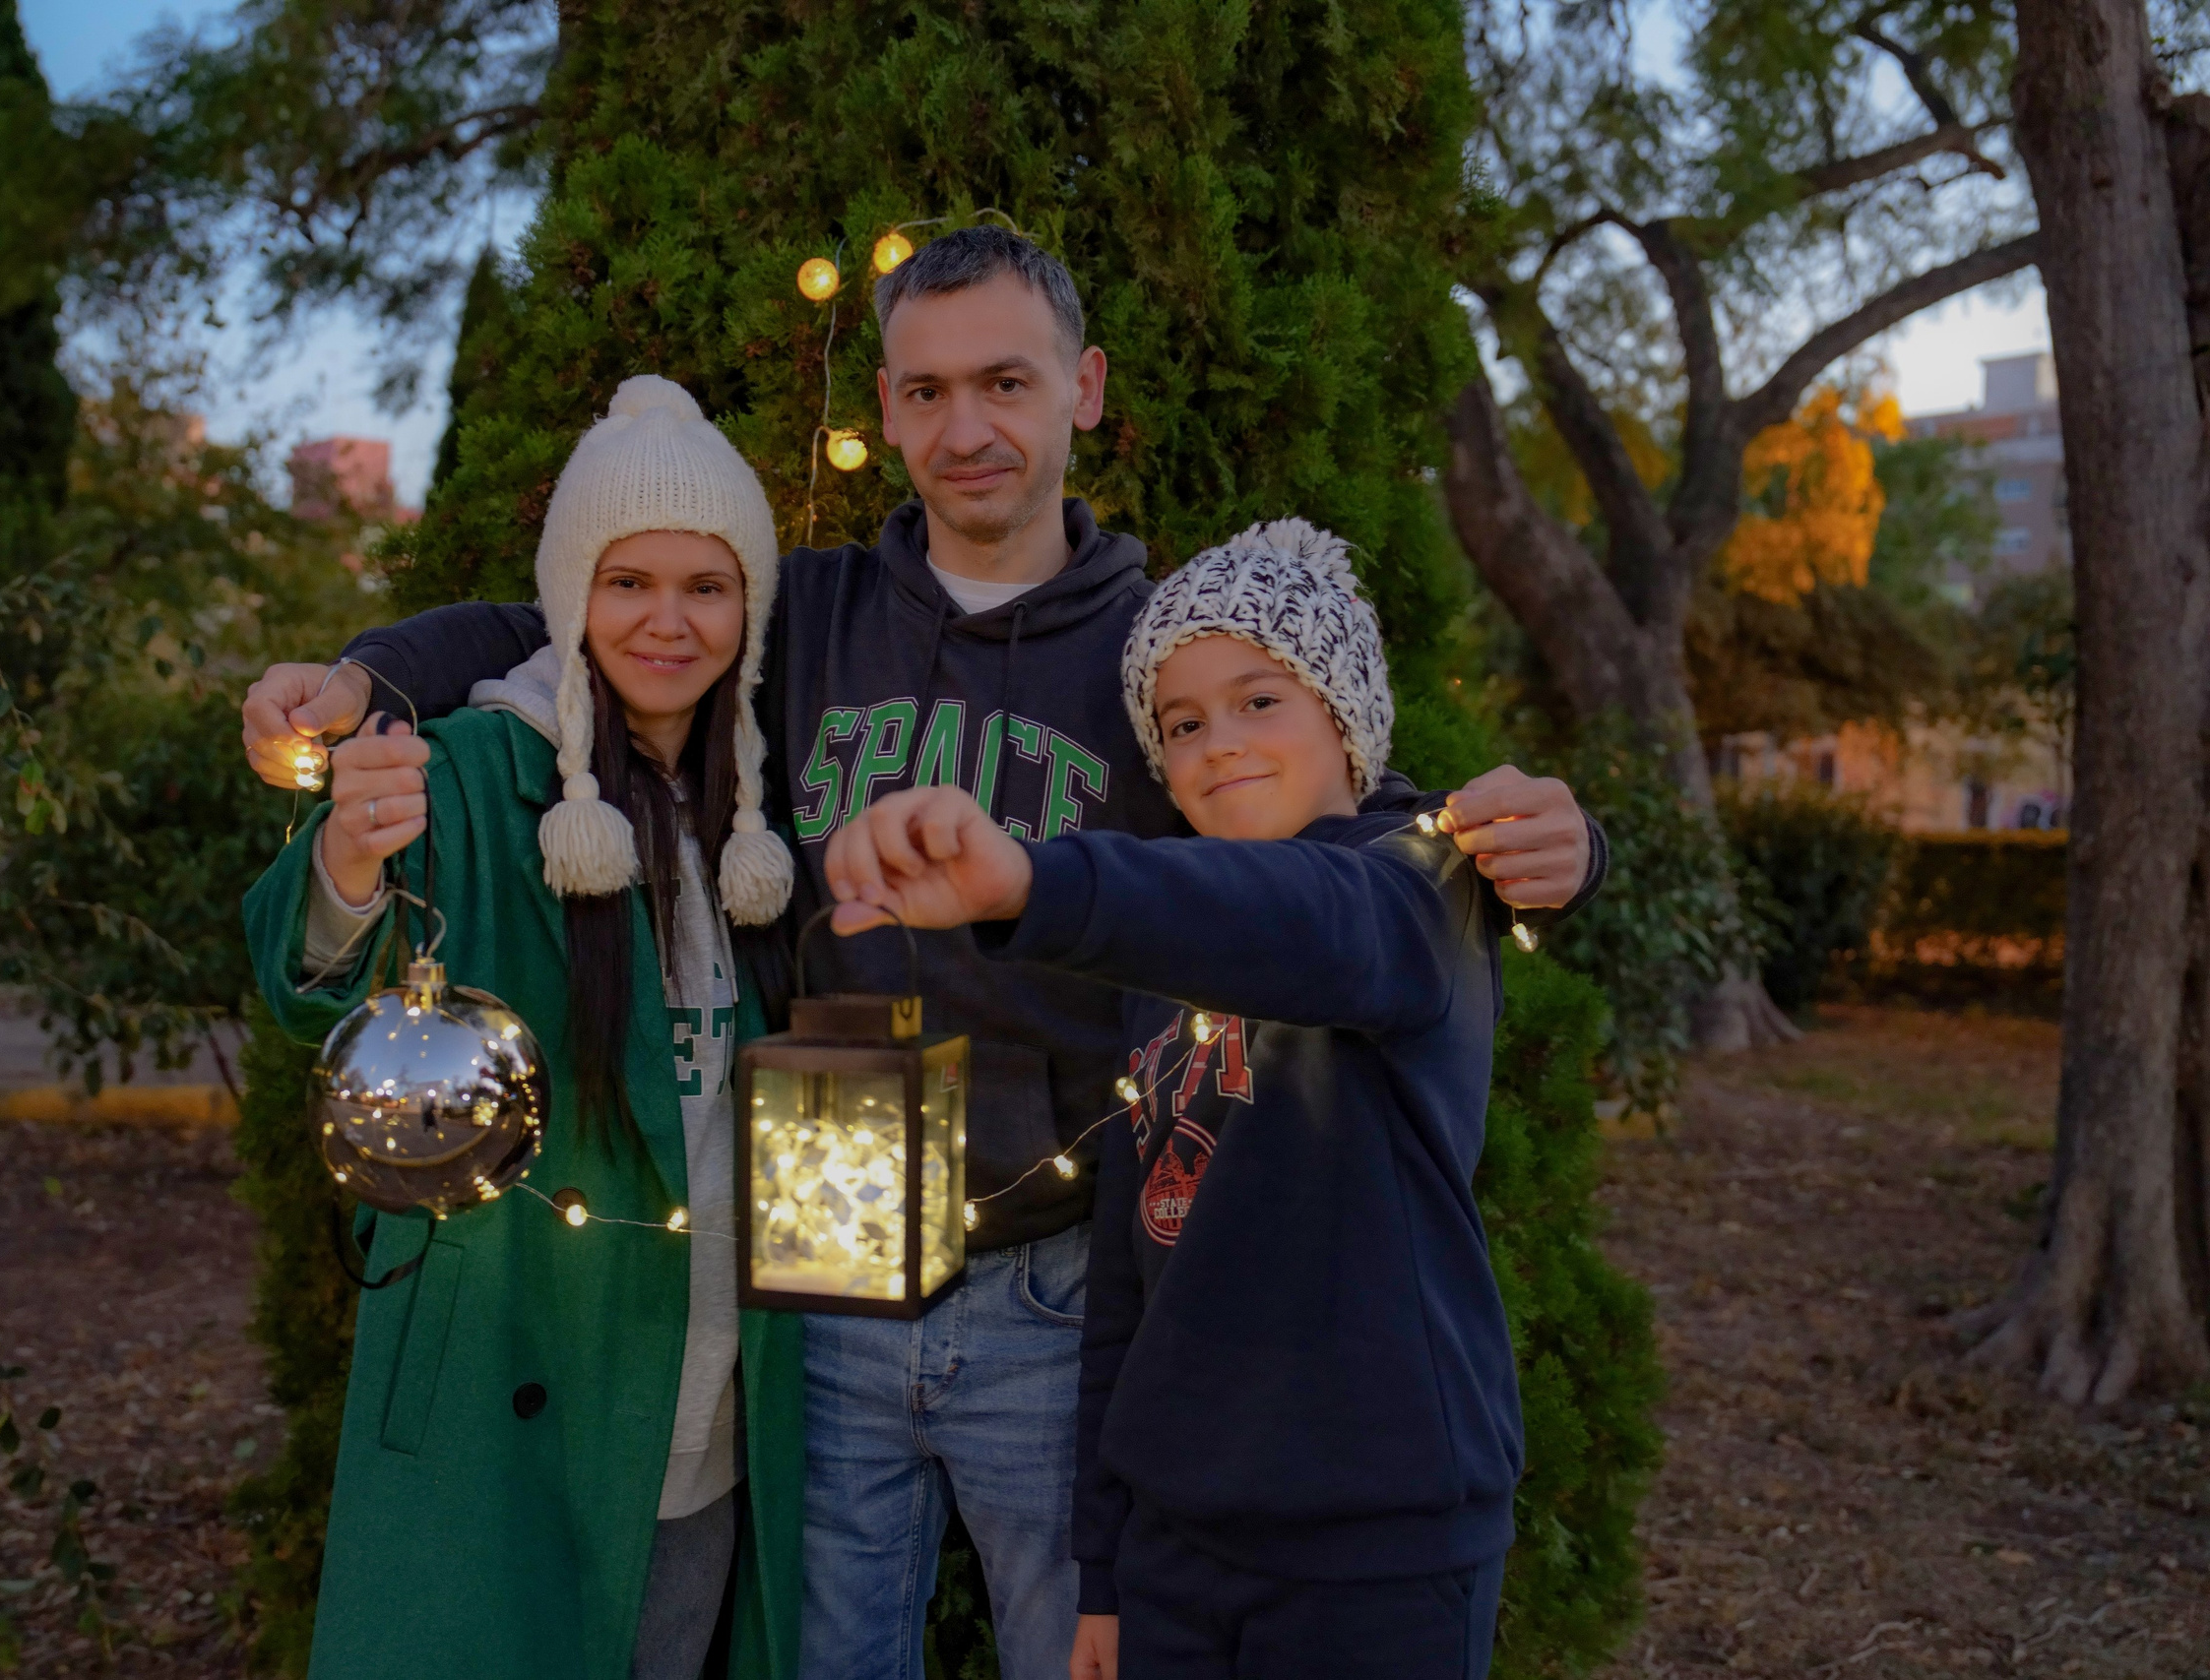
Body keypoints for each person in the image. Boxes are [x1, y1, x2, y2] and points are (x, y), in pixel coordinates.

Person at [236, 229, 1598, 1679]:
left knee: (1075, 1645)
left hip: (1057, 1273)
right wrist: (369, 678)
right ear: (883, 406)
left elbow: (1307, 799)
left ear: (1083, 387)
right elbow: (574, 619)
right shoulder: (807, 615)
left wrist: (1516, 833)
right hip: (824, 1256)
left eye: (1005, 382)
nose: (968, 429)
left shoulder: (1153, 654)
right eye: (929, 389)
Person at [823, 518, 1528, 1680]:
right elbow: (1124, 1291)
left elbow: (1306, 920)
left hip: (1375, 1543)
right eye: (1183, 723)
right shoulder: (1159, 974)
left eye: (1261, 702)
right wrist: (1103, 1570)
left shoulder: (1419, 889)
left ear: (1345, 714)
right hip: (1174, 1553)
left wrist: (1027, 879)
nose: (1219, 745)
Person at [241, 376, 805, 1680]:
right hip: (524, 1383)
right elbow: (307, 969)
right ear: (574, 599)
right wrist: (347, 853)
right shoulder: (483, 767)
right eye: (627, 582)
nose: (668, 620)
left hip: (711, 1401)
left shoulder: (764, 808)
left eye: (707, 586)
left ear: (749, 609)